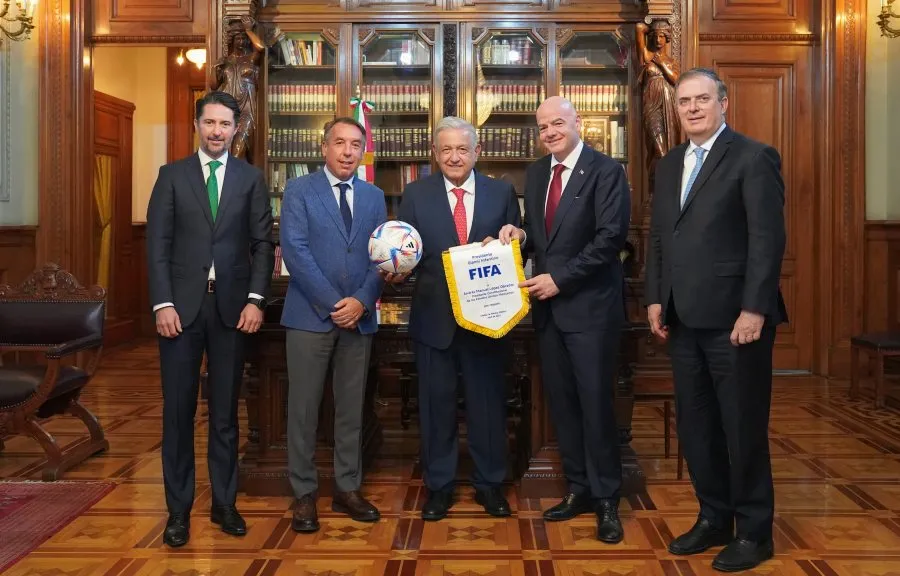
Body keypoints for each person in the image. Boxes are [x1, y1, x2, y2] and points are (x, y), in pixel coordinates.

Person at [644, 67, 787, 572]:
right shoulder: (669, 165)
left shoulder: (753, 157)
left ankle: (754, 532)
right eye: (685, 102)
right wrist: (655, 298)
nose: (693, 108)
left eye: (703, 99)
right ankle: (713, 518)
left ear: (724, 103)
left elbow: (767, 241)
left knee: (742, 425)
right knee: (696, 426)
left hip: (736, 320)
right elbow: (662, 237)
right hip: (681, 317)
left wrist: (755, 307)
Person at [498, 96, 631, 543]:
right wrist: (521, 236)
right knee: (565, 407)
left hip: (590, 310)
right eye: (543, 126)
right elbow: (542, 236)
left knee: (596, 405)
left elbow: (610, 239)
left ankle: (608, 499)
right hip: (549, 313)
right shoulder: (538, 174)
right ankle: (579, 489)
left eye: (558, 123)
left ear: (578, 124)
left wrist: (561, 279)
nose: (550, 132)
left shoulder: (607, 171)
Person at [146, 90, 275, 548]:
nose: (217, 131)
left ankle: (224, 504)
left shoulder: (250, 178)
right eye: (210, 123)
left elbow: (263, 245)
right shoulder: (171, 177)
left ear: (236, 129)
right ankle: (177, 512)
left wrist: (256, 299)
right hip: (179, 313)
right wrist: (162, 304)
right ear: (196, 125)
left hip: (232, 311)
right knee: (178, 414)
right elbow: (157, 246)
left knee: (225, 414)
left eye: (225, 124)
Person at [385, 116, 521, 520]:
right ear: (435, 153)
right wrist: (395, 270)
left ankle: (490, 484)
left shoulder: (501, 193)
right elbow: (404, 252)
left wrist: (516, 241)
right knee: (436, 407)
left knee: (487, 406)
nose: (454, 156)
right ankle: (439, 487)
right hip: (434, 319)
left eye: (462, 149)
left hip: (488, 319)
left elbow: (518, 249)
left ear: (477, 152)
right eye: (446, 149)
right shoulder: (414, 194)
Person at [279, 117, 386, 534]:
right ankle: (304, 494)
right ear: (324, 148)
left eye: (355, 145)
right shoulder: (299, 190)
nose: (346, 151)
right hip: (309, 317)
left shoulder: (375, 196)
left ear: (363, 152)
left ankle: (347, 488)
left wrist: (361, 300)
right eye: (339, 143)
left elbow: (384, 253)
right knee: (303, 411)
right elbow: (295, 251)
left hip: (358, 318)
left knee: (351, 409)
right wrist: (333, 304)